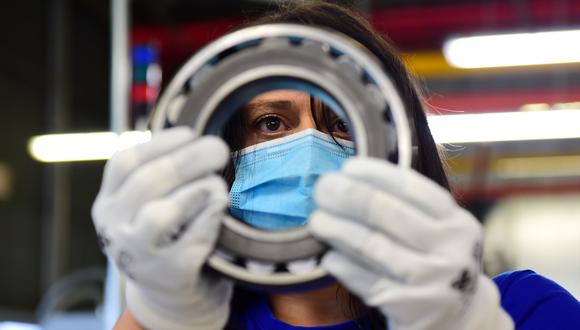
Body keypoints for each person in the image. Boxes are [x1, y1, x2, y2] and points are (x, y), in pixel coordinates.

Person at [92, 2, 580, 330]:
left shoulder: (523, 310)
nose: (308, 149)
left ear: (400, 146)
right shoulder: (185, 320)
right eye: (270, 123)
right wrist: (160, 314)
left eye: (342, 123)